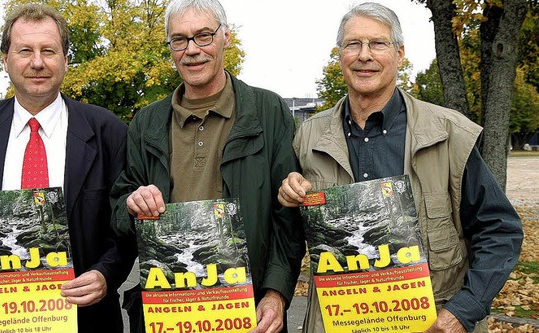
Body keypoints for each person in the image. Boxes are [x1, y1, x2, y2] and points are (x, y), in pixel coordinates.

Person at [277, 2, 523, 333]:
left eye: (377, 43)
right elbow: (291, 236)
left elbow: (499, 230)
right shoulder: (308, 137)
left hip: (431, 323)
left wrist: (463, 311)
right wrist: (290, 194)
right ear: (340, 55)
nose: (364, 55)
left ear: (399, 54)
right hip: (337, 322)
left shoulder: (448, 134)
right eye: (353, 44)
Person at [0, 4, 136, 332]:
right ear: (6, 59)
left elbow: (124, 228)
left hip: (83, 315)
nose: (38, 62)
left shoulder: (108, 130)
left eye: (49, 51)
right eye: (25, 50)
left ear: (66, 60)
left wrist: (105, 275)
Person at [108, 0, 305, 331]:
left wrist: (276, 294)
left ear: (225, 37)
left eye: (203, 36)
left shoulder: (268, 111)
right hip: (168, 313)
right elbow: (120, 207)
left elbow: (287, 217)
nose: (191, 50)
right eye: (179, 39)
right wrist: (130, 204)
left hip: (247, 312)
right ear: (170, 46)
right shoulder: (147, 123)